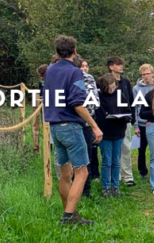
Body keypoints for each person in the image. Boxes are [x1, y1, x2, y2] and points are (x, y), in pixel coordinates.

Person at [44, 35, 102, 225]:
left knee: (65, 174)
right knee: (82, 172)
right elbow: (77, 103)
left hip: (54, 127)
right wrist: (94, 126)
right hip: (71, 125)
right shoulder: (75, 72)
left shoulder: (50, 70)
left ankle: (70, 212)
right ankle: (69, 216)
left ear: (57, 52)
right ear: (74, 51)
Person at [95, 73, 128, 198]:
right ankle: (106, 187)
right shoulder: (98, 97)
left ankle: (115, 186)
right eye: (109, 87)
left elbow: (127, 111)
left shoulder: (121, 96)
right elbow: (96, 115)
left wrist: (125, 118)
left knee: (116, 161)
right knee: (106, 161)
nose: (112, 90)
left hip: (118, 131)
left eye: (114, 87)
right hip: (105, 132)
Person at [107, 57, 136, 186]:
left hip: (125, 120)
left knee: (126, 147)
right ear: (111, 67)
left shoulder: (125, 82)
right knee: (112, 150)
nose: (121, 67)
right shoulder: (105, 81)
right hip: (110, 121)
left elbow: (131, 100)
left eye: (121, 64)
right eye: (118, 64)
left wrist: (132, 118)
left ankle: (127, 176)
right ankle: (115, 175)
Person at [74, 55, 99, 198]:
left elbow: (93, 101)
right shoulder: (64, 78)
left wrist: (89, 121)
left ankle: (85, 191)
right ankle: (74, 189)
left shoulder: (88, 78)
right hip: (70, 122)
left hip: (84, 122)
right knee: (74, 158)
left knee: (85, 157)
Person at [133, 64, 154, 179]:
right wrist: (136, 126)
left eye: (147, 73)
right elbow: (135, 108)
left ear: (152, 73)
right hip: (142, 123)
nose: (146, 76)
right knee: (141, 149)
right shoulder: (136, 89)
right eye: (143, 74)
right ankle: (143, 171)